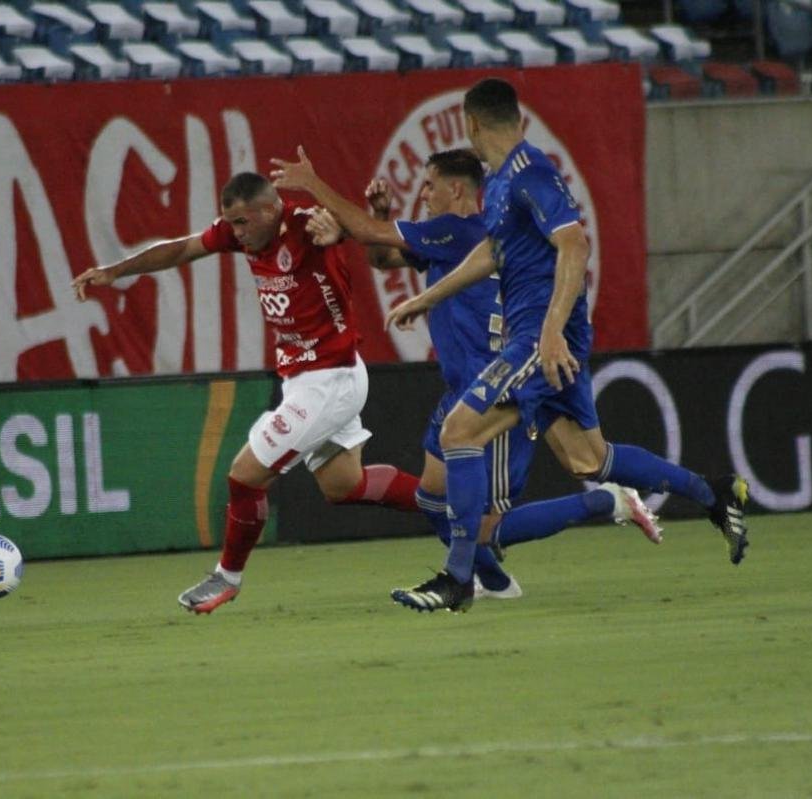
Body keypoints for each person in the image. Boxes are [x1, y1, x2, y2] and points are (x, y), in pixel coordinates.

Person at [379, 78, 749, 612]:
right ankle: (715, 494)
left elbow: (574, 241)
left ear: (472, 123)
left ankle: (457, 579)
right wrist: (429, 296)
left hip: (537, 336)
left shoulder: (531, 174)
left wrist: (550, 331)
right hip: (546, 336)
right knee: (588, 458)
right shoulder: (507, 182)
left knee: (460, 432)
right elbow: (493, 253)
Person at [273, 148, 662, 609]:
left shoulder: (462, 231)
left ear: (457, 189)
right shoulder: (445, 239)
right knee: (434, 501)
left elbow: (370, 235)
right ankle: (494, 581)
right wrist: (380, 216)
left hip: (491, 392)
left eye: (430, 185)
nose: (423, 193)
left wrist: (314, 185)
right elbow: (381, 256)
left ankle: (608, 502)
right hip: (458, 393)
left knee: (481, 528)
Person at [72, 172, 423, 614]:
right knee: (343, 485)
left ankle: (227, 577)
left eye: (241, 223)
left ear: (270, 211)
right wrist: (115, 271)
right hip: (306, 380)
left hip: (330, 379)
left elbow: (363, 240)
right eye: (230, 224)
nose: (234, 234)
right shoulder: (243, 237)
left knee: (244, 475)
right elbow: (181, 248)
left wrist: (359, 221)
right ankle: (454, 508)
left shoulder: (309, 225)